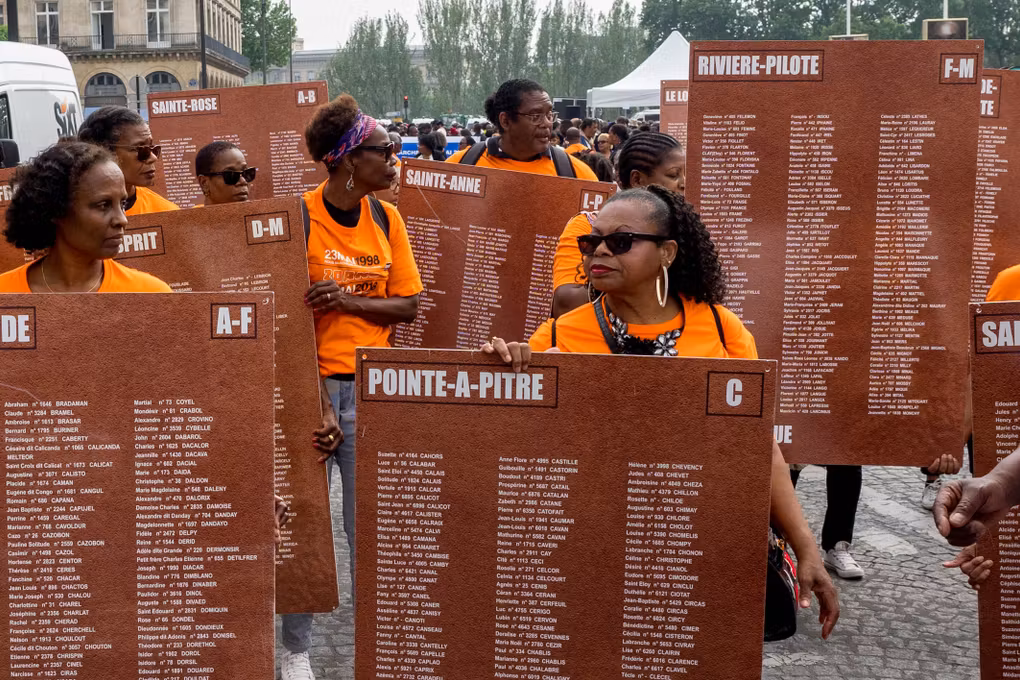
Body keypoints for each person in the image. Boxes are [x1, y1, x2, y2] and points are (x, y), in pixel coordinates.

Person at [484, 185, 840, 640]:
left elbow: (758, 449)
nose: (601, 252)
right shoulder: (559, 336)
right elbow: (515, 448)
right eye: (591, 242)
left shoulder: (722, 331)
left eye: (622, 241)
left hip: (695, 546)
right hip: (594, 548)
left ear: (667, 252)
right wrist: (501, 375)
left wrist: (805, 545)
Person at [286, 94, 423, 680]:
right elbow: (284, 319)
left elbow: (409, 305)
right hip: (308, 389)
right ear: (346, 159)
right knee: (306, 526)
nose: (395, 159)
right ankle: (295, 650)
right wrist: (314, 397)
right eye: (384, 150)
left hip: (371, 387)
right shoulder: (296, 219)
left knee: (366, 525)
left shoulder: (387, 218)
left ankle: (378, 643)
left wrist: (348, 300)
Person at [0, 141, 171, 293]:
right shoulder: (5, 293)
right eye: (104, 205)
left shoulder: (151, 294)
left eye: (123, 204)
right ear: (57, 210)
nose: (122, 220)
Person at [552, 131, 684, 317]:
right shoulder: (587, 224)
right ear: (637, 180)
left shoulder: (687, 229)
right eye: (674, 175)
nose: (683, 184)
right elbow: (566, 303)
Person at [447, 79, 597, 180]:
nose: (547, 123)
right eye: (535, 115)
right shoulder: (460, 166)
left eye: (549, 114)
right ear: (505, 121)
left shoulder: (577, 175)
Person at [77, 106, 179, 216]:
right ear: (103, 152)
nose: (153, 158)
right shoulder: (71, 217)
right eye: (141, 149)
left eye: (153, 148)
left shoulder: (166, 213)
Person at [195, 141, 256, 206]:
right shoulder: (190, 216)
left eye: (246, 173)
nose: (243, 181)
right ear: (204, 183)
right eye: (230, 175)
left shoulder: (260, 215)